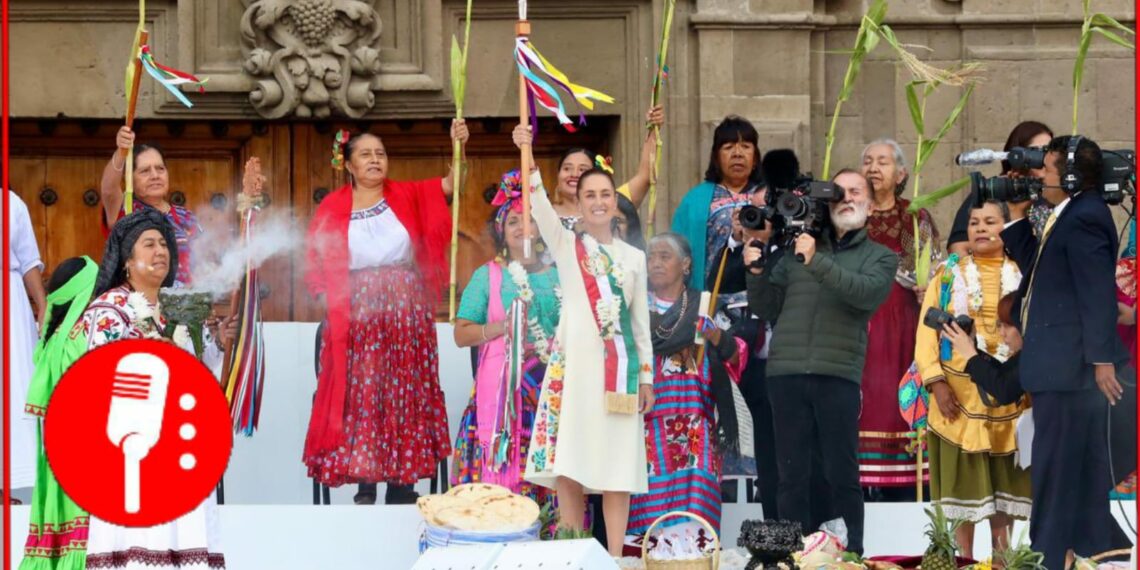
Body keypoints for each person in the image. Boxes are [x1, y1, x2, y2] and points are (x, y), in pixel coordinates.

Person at [303, 120, 469, 505]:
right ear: (348, 164)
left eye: (380, 154)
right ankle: (366, 479)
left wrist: (460, 149)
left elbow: (452, 185)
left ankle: (402, 480)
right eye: (366, 154)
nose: (375, 160)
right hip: (356, 308)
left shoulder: (406, 194)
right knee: (364, 389)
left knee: (404, 388)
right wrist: (325, 296)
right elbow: (314, 257)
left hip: (403, 306)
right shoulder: (332, 206)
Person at [513, 124, 654, 557]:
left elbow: (640, 323)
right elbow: (536, 202)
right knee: (569, 466)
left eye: (605, 195)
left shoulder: (633, 259)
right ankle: (572, 554)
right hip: (573, 371)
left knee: (617, 470)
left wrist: (646, 377)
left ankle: (613, 557)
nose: (597, 202)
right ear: (579, 200)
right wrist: (527, 152)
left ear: (616, 203)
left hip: (618, 378)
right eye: (589, 195)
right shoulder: (566, 243)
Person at [744, 169, 896, 553]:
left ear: (871, 204)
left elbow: (861, 294)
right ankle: (790, 556)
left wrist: (815, 261)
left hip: (837, 374)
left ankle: (852, 555)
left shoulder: (881, 256)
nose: (846, 199)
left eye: (855, 192)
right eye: (838, 193)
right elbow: (767, 307)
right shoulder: (799, 248)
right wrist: (756, 270)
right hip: (785, 374)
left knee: (840, 472)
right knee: (788, 474)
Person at [1000, 135, 1129, 568]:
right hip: (1058, 367)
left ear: (1070, 177)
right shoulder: (1068, 214)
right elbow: (1043, 270)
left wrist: (1101, 358)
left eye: (1047, 170)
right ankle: (1094, 551)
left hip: (1069, 369)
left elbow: (1096, 293)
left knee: (1056, 470)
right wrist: (1017, 217)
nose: (1040, 177)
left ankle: (1048, 556)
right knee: (1075, 468)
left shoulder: (1084, 217)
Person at [78, 209, 230, 569]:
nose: (160, 251)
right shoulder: (108, 310)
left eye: (164, 244)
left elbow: (202, 370)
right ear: (127, 260)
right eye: (149, 244)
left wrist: (220, 344)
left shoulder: (182, 307)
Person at [916, 201, 1031, 557]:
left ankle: (1001, 562)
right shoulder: (947, 275)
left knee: (1002, 494)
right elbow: (925, 337)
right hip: (958, 399)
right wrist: (936, 384)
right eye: (973, 222)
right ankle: (963, 561)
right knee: (964, 495)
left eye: (990, 222)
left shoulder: (1023, 274)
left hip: (1007, 395)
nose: (980, 228)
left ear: (1006, 228)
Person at [451, 170, 559, 515]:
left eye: (529, 220)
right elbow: (461, 333)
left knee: (552, 468)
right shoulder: (489, 275)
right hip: (502, 393)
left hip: (552, 387)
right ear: (501, 230)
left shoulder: (562, 272)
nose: (522, 227)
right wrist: (500, 327)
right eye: (513, 220)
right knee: (503, 471)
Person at [626, 233, 744, 545]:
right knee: (648, 506)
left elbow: (735, 356)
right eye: (651, 257)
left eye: (665, 256)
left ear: (686, 264)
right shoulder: (635, 305)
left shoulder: (702, 304)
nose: (656, 263)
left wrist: (715, 334)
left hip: (696, 424)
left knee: (696, 515)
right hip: (647, 421)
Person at [857, 139, 942, 499]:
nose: (873, 168)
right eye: (867, 161)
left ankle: (907, 489)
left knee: (900, 402)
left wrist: (928, 287)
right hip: (860, 323)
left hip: (904, 325)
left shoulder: (915, 216)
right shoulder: (850, 216)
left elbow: (933, 271)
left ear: (902, 173)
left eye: (883, 162)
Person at [19, 257, 97, 570]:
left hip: (56, 449)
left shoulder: (52, 339)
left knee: (59, 520)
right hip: (84, 448)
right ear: (84, 294)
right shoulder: (80, 337)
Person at [672, 116, 765, 291]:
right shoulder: (694, 200)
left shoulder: (769, 195)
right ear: (716, 157)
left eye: (745, 146)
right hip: (711, 302)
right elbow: (676, 252)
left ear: (755, 158)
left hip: (762, 300)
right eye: (728, 147)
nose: (737, 153)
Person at [100, 129, 202, 287]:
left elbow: (206, 262)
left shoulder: (186, 217)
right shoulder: (127, 211)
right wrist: (121, 152)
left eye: (160, 168)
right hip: (139, 306)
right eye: (145, 171)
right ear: (130, 179)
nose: (155, 175)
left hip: (186, 305)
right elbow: (108, 190)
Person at [948, 121, 1054, 258]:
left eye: (1049, 151)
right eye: (1036, 151)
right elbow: (959, 248)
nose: (1044, 157)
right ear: (1017, 154)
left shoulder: (1056, 192)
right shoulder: (993, 190)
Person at [547, 105, 664, 230]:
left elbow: (645, 176)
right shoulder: (541, 213)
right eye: (567, 168)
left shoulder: (612, 204)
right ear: (558, 174)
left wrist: (652, 129)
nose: (574, 174)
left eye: (583, 169)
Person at [8, 191, 47, 494]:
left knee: (10, 386)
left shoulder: (10, 202)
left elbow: (28, 261)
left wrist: (43, 306)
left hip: (7, 304)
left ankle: (6, 487)